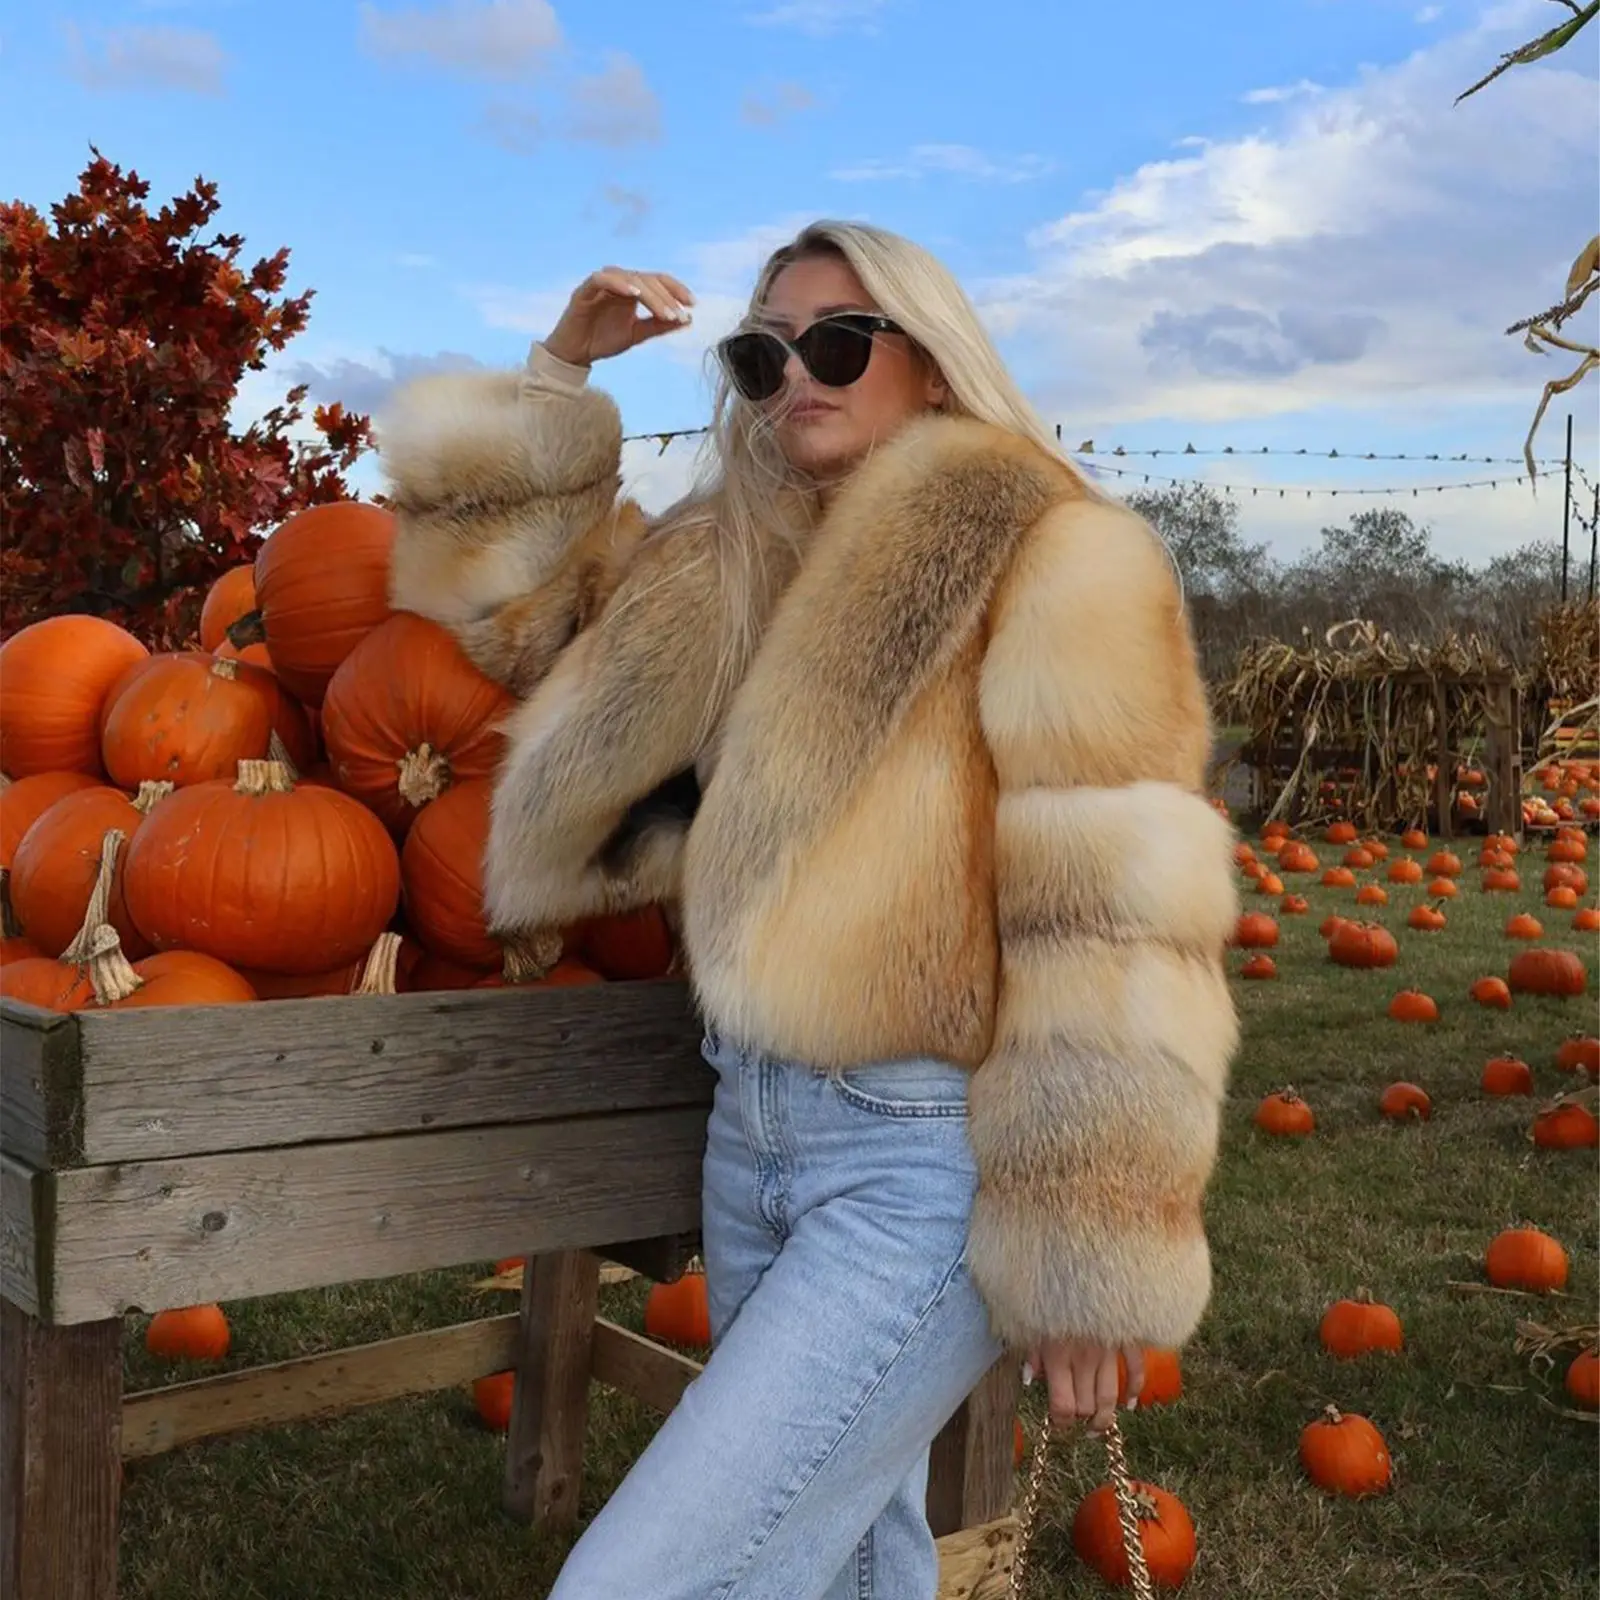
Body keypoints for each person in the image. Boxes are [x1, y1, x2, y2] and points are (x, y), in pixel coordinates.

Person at [377, 220, 1240, 1600]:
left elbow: (1114, 918)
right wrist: (557, 376)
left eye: (838, 343)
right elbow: (510, 628)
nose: (797, 379)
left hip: (921, 1166)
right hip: (753, 1131)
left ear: (937, 364)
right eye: (763, 353)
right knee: (844, 1560)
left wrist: (1090, 1245)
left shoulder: (1059, 554)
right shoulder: (733, 554)